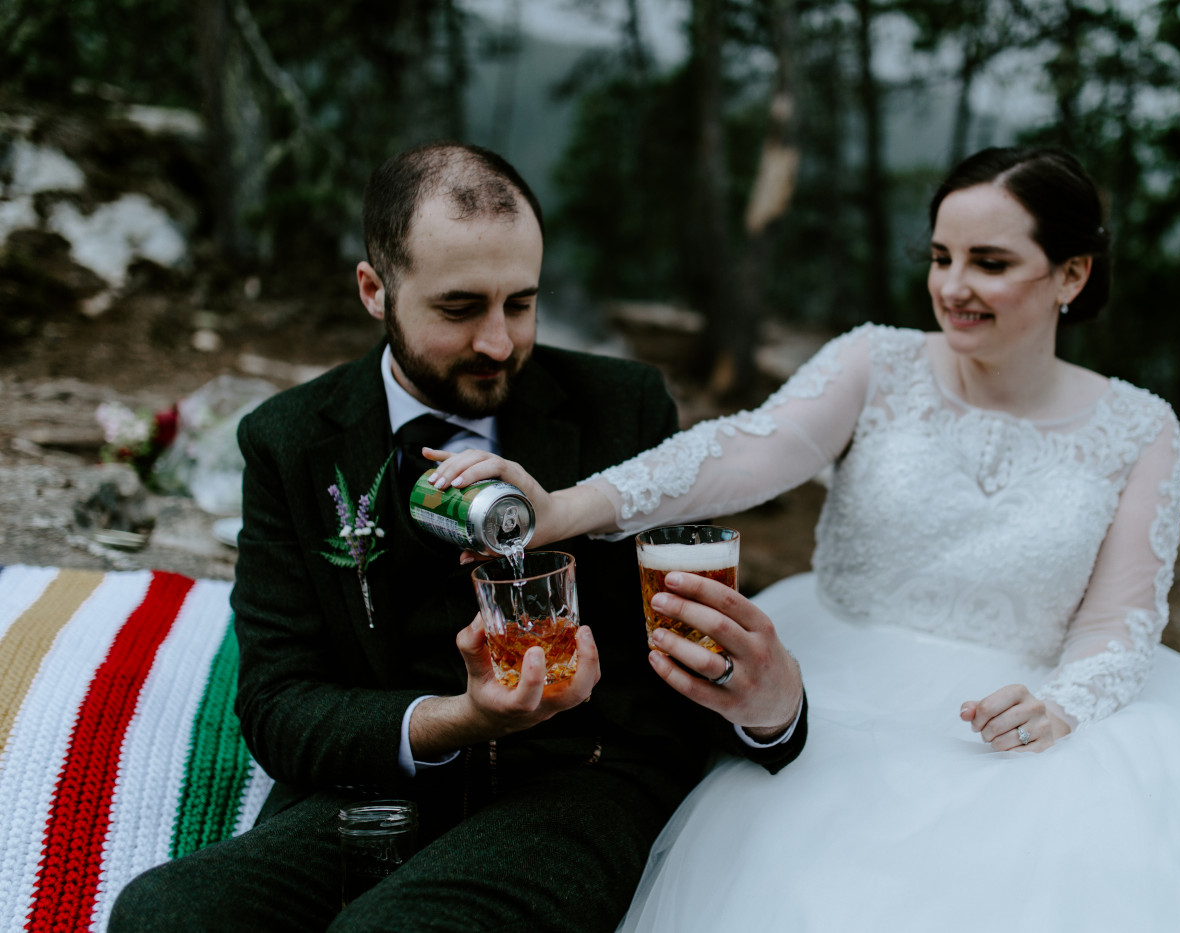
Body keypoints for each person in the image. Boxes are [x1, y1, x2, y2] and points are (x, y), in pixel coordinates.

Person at [428, 146, 1180, 931]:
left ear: (1069, 274)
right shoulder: (874, 363)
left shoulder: (1140, 428)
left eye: (988, 263)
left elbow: (1119, 619)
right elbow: (738, 452)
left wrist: (1063, 705)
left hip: (1018, 706)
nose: (952, 287)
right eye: (939, 257)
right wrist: (561, 509)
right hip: (835, 686)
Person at [109, 142, 806, 933]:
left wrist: (772, 708)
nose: (500, 342)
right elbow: (278, 700)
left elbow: (689, 659)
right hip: (371, 785)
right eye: (460, 307)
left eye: (522, 303)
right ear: (375, 290)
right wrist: (455, 719)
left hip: (575, 784)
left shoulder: (623, 406)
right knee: (162, 916)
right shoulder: (291, 440)